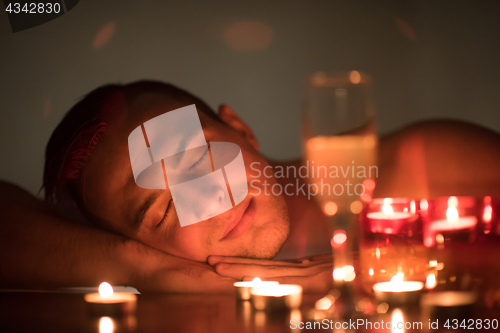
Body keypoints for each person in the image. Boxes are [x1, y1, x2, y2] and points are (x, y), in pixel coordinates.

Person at [1, 80, 500, 293]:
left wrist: (378, 268)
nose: (209, 197)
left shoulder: (422, 166)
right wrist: (142, 270)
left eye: (200, 156)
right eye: (162, 212)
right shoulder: (148, 259)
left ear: (240, 129)